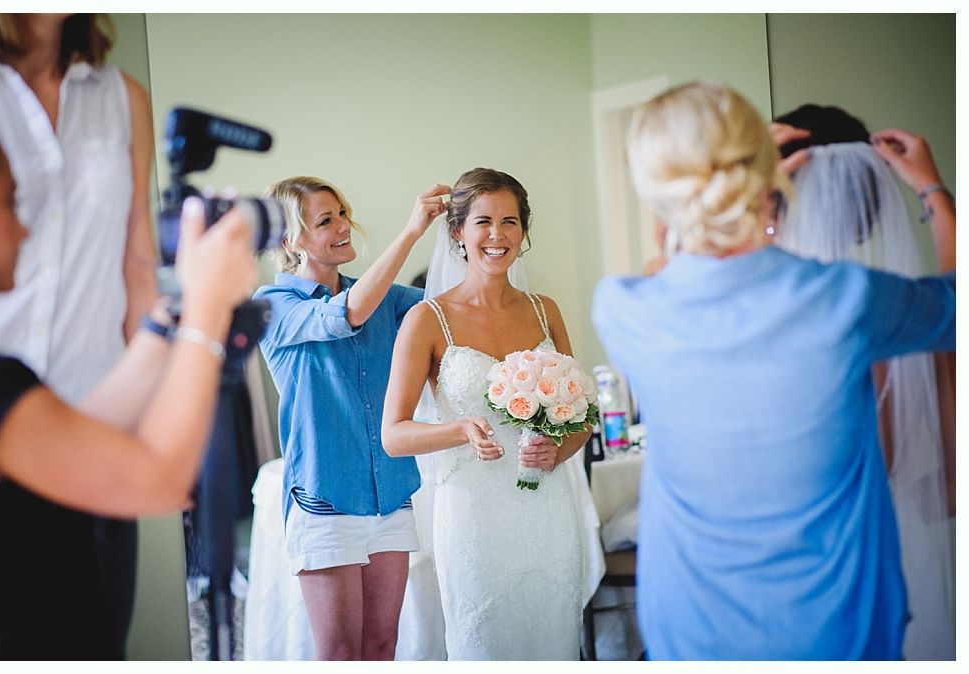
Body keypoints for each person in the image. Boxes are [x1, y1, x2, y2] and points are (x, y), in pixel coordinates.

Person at [591, 81, 955, 660]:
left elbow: (668, 262)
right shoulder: (845, 300)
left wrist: (733, 185)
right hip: (833, 631)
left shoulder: (621, 309)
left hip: (691, 630)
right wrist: (934, 192)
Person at [0, 128, 257, 659]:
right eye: (8, 203)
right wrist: (208, 309)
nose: (24, 228)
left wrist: (170, 317)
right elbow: (160, 482)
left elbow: (82, 433)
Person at [0, 13, 157, 654]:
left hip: (95, 426)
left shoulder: (122, 97)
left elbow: (137, 266)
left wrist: (150, 417)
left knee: (94, 640)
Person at [380, 167, 590, 660]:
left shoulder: (545, 311)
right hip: (473, 513)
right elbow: (394, 435)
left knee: (552, 633)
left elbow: (582, 414)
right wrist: (458, 430)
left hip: (546, 506)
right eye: (483, 222)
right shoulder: (427, 319)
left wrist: (557, 450)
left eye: (510, 222)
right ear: (457, 231)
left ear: (524, 231)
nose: (498, 235)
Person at [771, 104, 955, 660]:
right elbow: (949, 485)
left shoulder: (740, 316)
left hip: (763, 588)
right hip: (876, 577)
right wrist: (932, 190)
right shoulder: (887, 309)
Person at [252, 176, 447, 660]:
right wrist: (411, 232)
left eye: (342, 214)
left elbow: (447, 308)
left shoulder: (380, 296)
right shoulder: (273, 305)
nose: (344, 226)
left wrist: (474, 237)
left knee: (383, 646)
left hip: (390, 494)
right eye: (326, 221)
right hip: (325, 499)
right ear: (290, 240)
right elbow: (345, 316)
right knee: (340, 654)